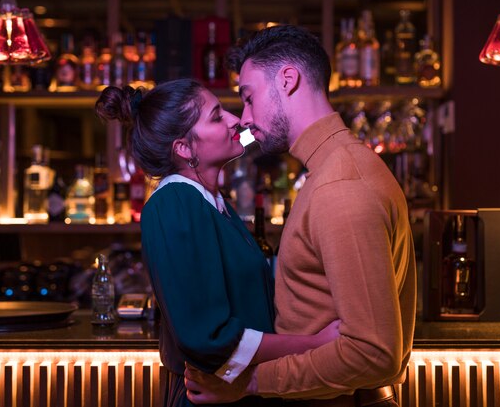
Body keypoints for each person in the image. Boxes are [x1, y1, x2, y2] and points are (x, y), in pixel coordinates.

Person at [184, 25, 416, 407]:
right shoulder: (331, 172)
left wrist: (250, 382)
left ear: (288, 80)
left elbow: (372, 353)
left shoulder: (340, 186)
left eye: (249, 97)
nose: (243, 118)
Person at [94, 79, 340, 407]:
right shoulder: (174, 203)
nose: (235, 119)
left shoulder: (212, 202)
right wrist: (311, 344)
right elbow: (207, 336)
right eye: (216, 116)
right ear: (184, 148)